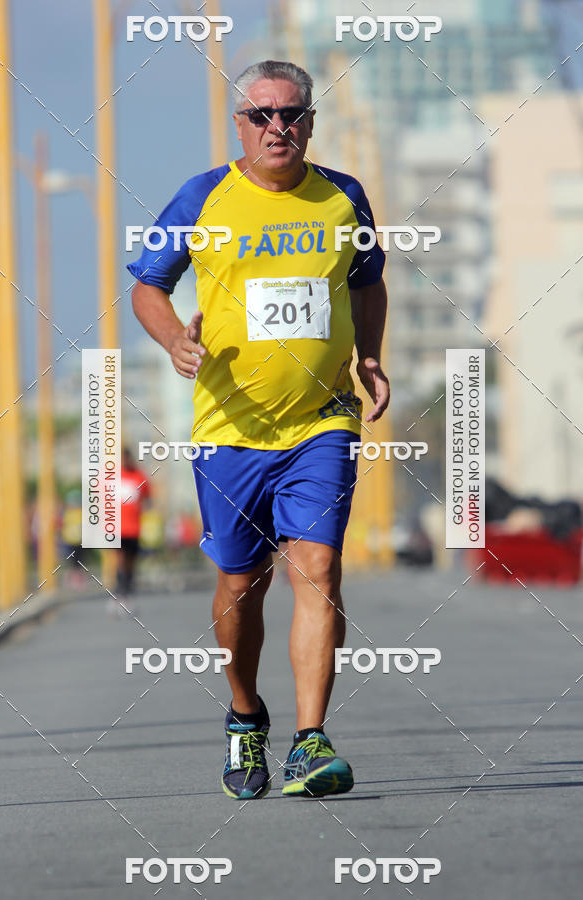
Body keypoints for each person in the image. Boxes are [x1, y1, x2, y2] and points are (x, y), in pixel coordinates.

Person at [127, 60, 389, 799]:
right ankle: (245, 716)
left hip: (320, 422)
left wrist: (369, 356)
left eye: (292, 114)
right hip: (230, 428)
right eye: (262, 115)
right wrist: (174, 339)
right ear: (239, 124)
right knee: (241, 586)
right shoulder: (203, 197)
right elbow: (148, 285)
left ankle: (311, 741)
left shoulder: (344, 197)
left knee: (319, 570)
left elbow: (368, 282)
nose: (279, 127)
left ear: (311, 121)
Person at [109, 448, 151, 615]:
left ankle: (127, 593)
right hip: (117, 529)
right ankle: (119, 594)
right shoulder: (112, 476)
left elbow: (147, 496)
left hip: (134, 529)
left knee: (130, 562)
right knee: (121, 560)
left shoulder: (139, 476)